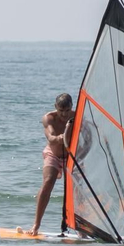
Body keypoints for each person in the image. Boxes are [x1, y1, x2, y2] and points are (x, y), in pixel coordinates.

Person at [31, 93, 76, 235]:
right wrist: (63, 137)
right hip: (53, 154)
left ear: (72, 107)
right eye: (61, 110)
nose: (64, 114)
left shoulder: (78, 117)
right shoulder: (49, 118)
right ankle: (36, 225)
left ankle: (80, 228)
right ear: (55, 107)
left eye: (67, 110)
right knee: (48, 181)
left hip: (72, 156)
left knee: (78, 189)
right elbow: (50, 138)